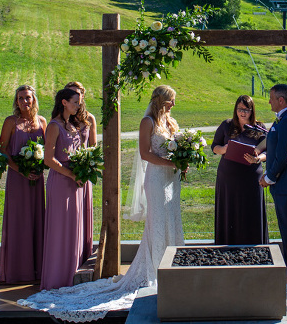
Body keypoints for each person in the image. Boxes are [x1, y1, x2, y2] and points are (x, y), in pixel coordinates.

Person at [18, 85, 185, 321]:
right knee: (157, 224)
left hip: (171, 181)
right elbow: (145, 153)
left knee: (171, 221)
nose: (174, 104)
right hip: (157, 179)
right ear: (161, 100)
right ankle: (154, 272)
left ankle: (175, 268)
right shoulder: (147, 121)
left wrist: (183, 157)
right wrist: (171, 164)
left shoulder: (170, 121)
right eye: (171, 100)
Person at [0, 85, 47, 284]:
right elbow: (2, 150)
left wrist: (39, 167)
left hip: (36, 179)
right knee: (18, 220)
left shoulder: (42, 121)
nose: (24, 102)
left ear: (34, 99)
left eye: (28, 98)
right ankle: (17, 270)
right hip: (17, 179)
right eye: (20, 98)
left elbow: (48, 148)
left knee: (36, 219)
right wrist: (21, 170)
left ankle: (37, 269)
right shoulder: (11, 122)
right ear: (16, 101)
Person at [40, 87, 86, 290]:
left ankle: (72, 273)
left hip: (74, 181)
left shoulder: (71, 125)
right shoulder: (54, 126)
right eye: (75, 102)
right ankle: (57, 278)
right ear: (64, 102)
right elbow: (49, 159)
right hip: (61, 180)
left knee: (73, 227)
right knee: (60, 228)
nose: (78, 105)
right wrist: (72, 174)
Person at [260, 84, 287, 284]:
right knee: (286, 227)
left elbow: (283, 156)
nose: (269, 101)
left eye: (271, 98)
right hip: (282, 184)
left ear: (281, 100)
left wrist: (269, 177)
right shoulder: (283, 119)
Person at [212, 95, 268, 245]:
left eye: (246, 110)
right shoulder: (227, 125)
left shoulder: (260, 128)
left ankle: (253, 247)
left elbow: (268, 152)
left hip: (250, 178)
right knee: (229, 211)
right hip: (228, 178)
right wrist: (224, 149)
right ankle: (227, 246)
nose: (242, 113)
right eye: (239, 109)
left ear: (252, 110)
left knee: (250, 212)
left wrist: (259, 158)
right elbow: (214, 147)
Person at [65, 81, 98, 265]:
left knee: (83, 214)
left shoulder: (89, 119)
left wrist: (88, 165)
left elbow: (92, 146)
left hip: (84, 173)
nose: (76, 98)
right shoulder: (62, 119)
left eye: (78, 94)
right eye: (71, 94)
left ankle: (83, 257)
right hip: (67, 172)